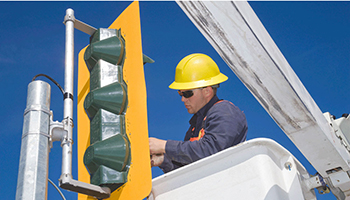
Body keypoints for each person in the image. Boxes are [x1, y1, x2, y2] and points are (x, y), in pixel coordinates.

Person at [149, 53, 248, 173]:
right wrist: (163, 160)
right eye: (180, 94)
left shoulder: (225, 112)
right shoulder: (196, 125)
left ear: (207, 91)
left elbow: (210, 151)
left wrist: (164, 146)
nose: (183, 99)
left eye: (187, 94)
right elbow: (189, 169)